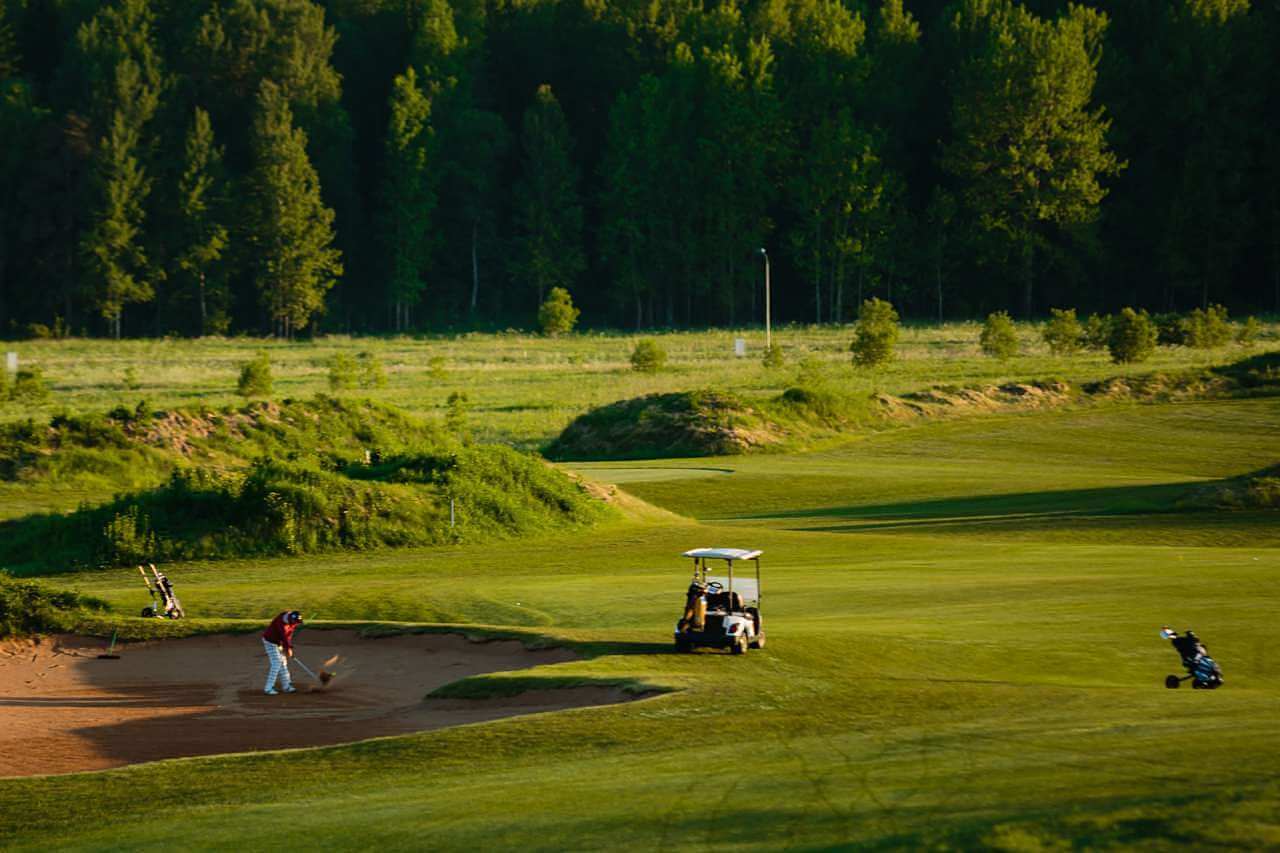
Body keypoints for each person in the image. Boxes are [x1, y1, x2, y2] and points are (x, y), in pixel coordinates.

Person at [262, 610, 303, 695]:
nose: (296, 624)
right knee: (276, 663)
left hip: (278, 642)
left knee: (283, 663)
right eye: (295, 622)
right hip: (270, 642)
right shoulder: (281, 623)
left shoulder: (291, 621)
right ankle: (268, 688)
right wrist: (288, 648)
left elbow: (289, 635)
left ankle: (286, 686)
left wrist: (288, 647)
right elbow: (284, 636)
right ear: (291, 620)